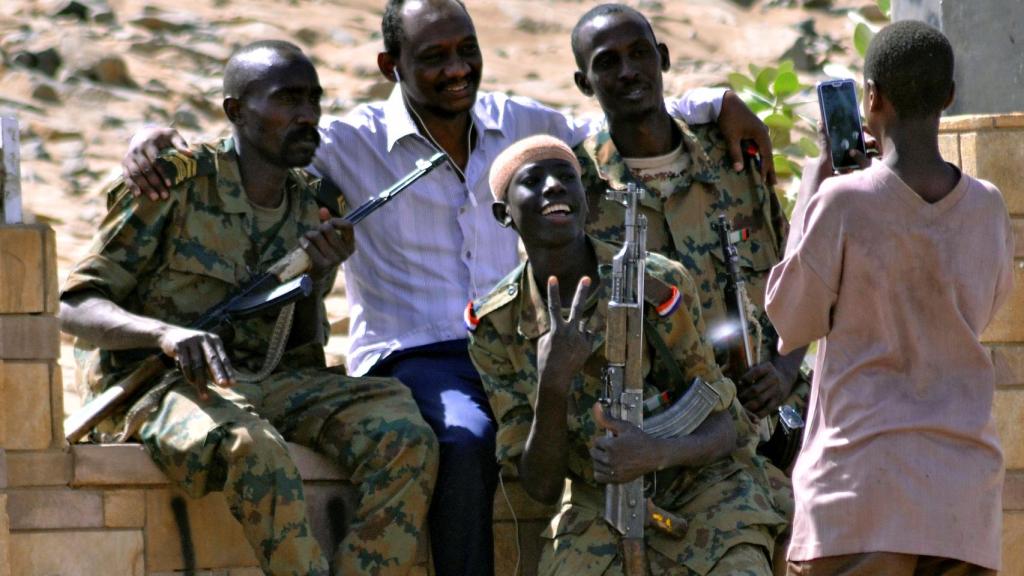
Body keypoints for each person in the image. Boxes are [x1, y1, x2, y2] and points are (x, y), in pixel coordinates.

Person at [118, 2, 776, 572]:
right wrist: (150, 143)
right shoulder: (349, 142)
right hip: (415, 352)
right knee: (465, 438)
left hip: (512, 336)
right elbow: (248, 141)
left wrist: (717, 104)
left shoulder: (519, 124)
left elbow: (618, 113)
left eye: (468, 50)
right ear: (390, 66)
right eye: (433, 56)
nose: (457, 68)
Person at [59, 41, 438, 576]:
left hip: (269, 379)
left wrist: (320, 271)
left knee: (405, 434)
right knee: (252, 449)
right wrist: (163, 334)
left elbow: (297, 340)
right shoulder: (173, 184)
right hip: (162, 386)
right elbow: (74, 304)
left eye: (314, 99)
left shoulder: (313, 203)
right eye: (288, 99)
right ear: (236, 111)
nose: (308, 115)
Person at [469, 134, 787, 574]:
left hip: (703, 488)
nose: (554, 187)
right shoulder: (496, 325)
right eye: (533, 181)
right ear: (504, 214)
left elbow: (726, 426)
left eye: (566, 177)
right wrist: (553, 383)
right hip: (599, 503)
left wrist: (655, 452)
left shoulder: (656, 284)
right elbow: (540, 487)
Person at [765, 21, 1013, 575]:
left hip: (859, 491)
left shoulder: (842, 201)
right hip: (961, 498)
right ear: (949, 96)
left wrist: (812, 185)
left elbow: (791, 316)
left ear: (872, 98)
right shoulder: (988, 205)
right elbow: (986, 306)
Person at [570, 3, 807, 449]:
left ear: (663, 57)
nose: (627, 71)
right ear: (584, 83)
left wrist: (783, 370)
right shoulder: (578, 190)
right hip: (672, 436)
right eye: (607, 62)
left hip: (776, 407)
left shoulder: (734, 158)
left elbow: (797, 277)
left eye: (639, 53)